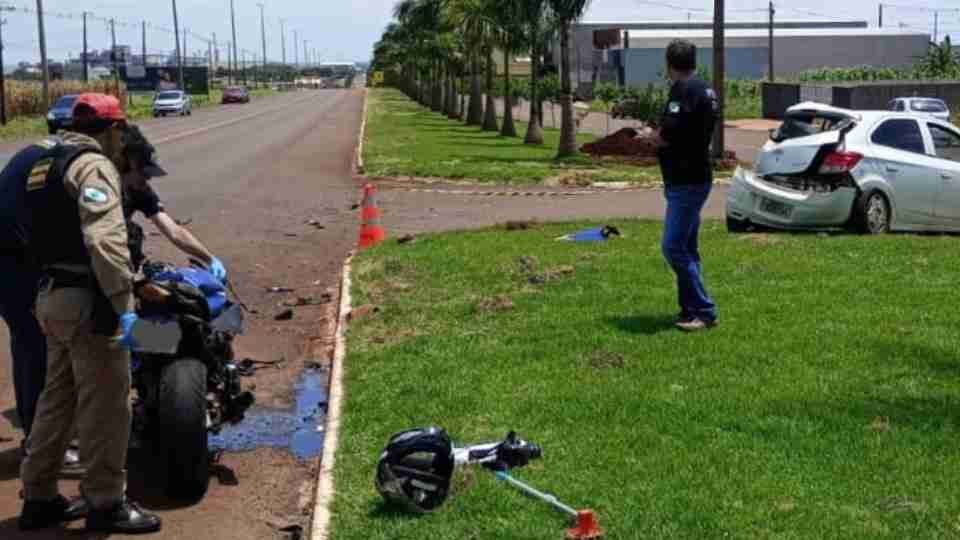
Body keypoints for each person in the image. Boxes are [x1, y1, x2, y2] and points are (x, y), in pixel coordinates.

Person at [17, 93, 161, 534]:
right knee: (106, 407)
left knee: (57, 402)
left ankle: (38, 496)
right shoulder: (92, 164)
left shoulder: (45, 164)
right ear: (114, 129)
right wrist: (125, 305)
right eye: (121, 132)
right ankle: (105, 502)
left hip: (51, 296)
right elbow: (105, 241)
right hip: (89, 304)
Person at [654, 40, 720, 332]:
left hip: (685, 180)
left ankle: (705, 312)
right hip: (697, 176)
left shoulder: (683, 90)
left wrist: (652, 137)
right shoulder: (706, 90)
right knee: (687, 248)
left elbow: (671, 132)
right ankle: (689, 309)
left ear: (670, 64)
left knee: (672, 247)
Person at [118, 125, 227, 280]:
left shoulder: (139, 190)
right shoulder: (97, 184)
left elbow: (174, 231)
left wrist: (209, 258)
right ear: (129, 164)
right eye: (144, 173)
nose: (147, 179)